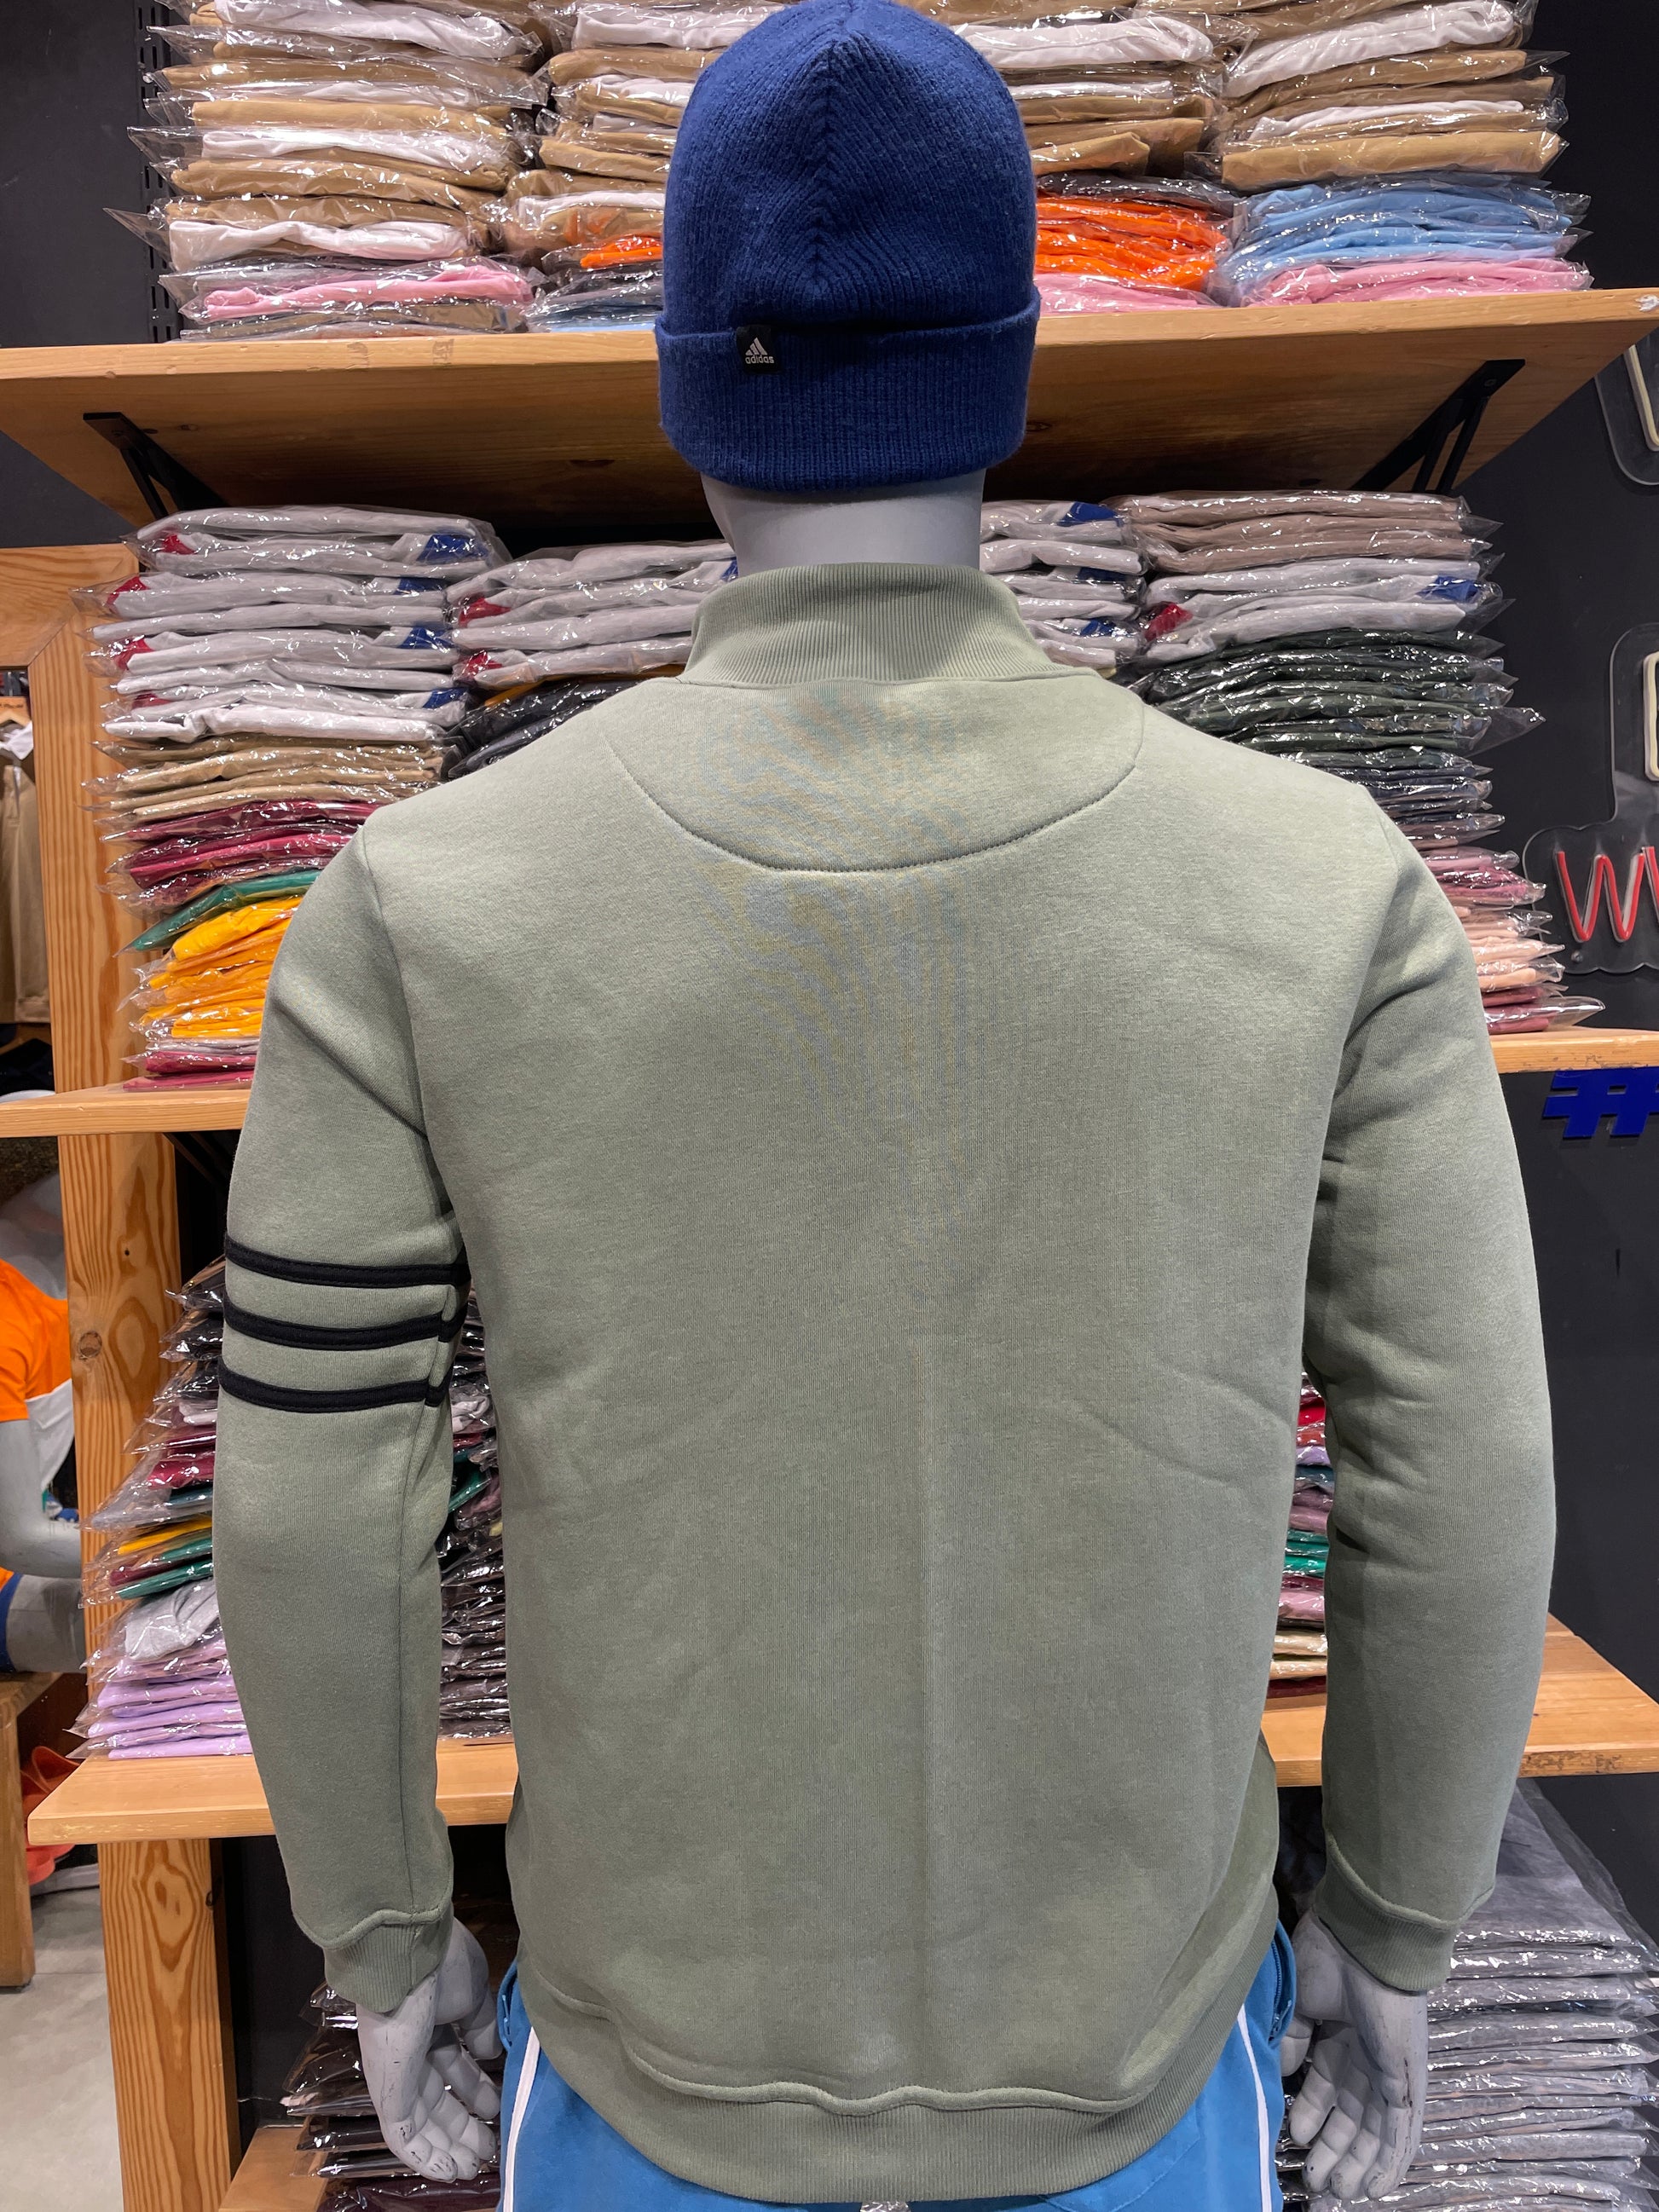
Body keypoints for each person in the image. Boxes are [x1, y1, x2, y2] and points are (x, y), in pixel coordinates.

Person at [214, 4, 1556, 2209]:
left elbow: (308, 1491)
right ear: (1006, 372)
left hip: (654, 2064)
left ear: (681, 381)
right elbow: (1464, 1459)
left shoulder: (421, 901)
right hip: (1135, 2064)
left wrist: (380, 1934)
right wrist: (1396, 1922)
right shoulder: (1323, 883)